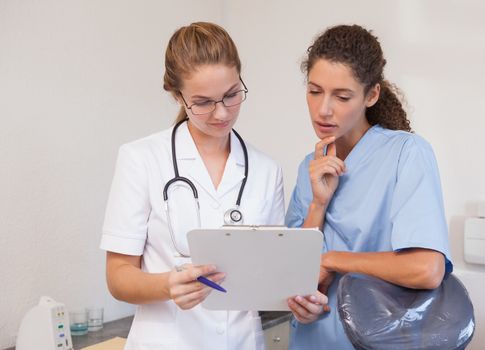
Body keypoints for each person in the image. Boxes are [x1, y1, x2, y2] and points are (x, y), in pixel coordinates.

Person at [100, 22, 284, 350]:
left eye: (231, 95)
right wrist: (167, 286)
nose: (221, 112)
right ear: (176, 94)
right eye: (203, 102)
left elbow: (270, 272)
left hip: (241, 342)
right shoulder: (141, 159)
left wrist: (297, 295)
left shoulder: (266, 170)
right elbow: (118, 275)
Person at [285, 24, 453, 349]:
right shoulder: (310, 166)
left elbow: (426, 269)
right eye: (314, 91)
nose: (323, 109)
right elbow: (295, 277)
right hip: (312, 339)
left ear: (371, 95)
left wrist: (333, 259)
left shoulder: (407, 153)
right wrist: (318, 205)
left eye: (342, 96)